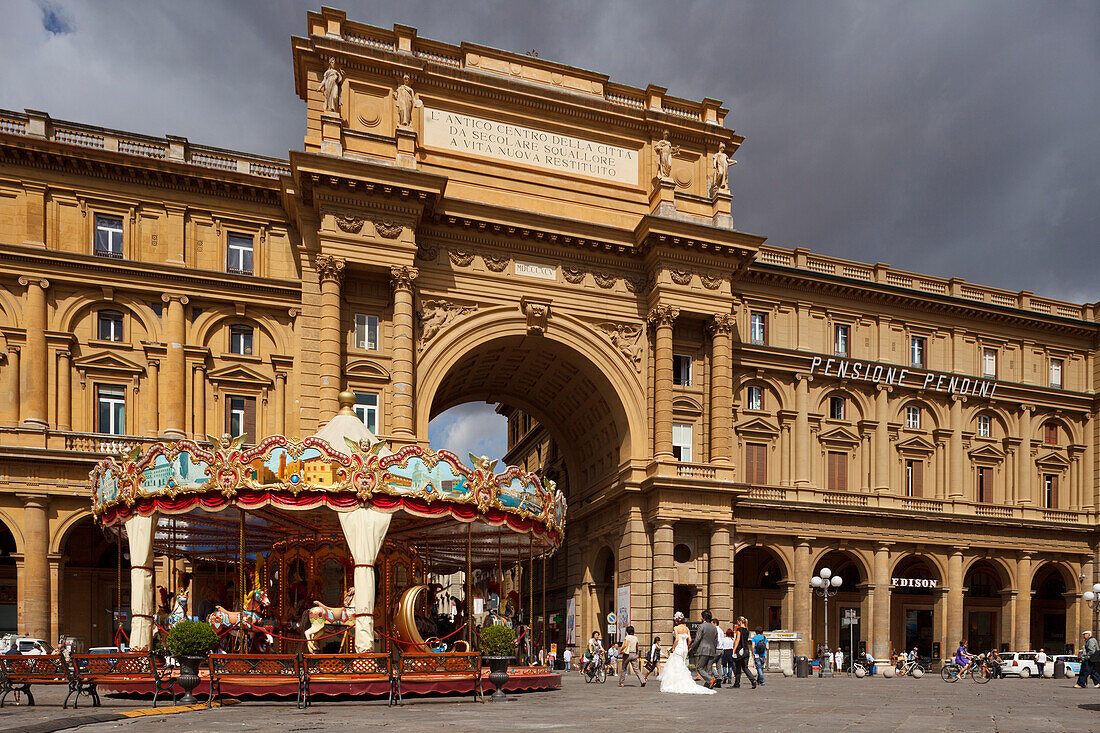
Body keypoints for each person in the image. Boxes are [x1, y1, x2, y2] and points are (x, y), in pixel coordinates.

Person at [660, 611, 715, 695]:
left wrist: (673, 648)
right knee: (685, 665)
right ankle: (708, 682)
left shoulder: (676, 628)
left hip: (679, 648)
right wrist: (688, 646)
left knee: (680, 665)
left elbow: (677, 639)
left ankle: (709, 680)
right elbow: (690, 639)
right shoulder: (687, 628)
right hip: (686, 648)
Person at [690, 610, 720, 689]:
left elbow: (698, 639)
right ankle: (708, 684)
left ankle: (710, 680)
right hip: (712, 649)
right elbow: (716, 640)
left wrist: (692, 646)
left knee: (699, 668)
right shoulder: (714, 628)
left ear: (703, 618)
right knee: (709, 668)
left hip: (703, 649)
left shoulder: (701, 626)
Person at [732, 616, 756, 688]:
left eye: (737, 621)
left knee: (738, 667)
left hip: (740, 650)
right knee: (745, 667)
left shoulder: (739, 630)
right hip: (746, 650)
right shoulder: (747, 630)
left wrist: (734, 650)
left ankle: (737, 683)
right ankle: (753, 680)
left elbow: (737, 640)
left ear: (739, 621)